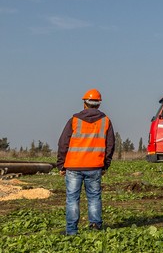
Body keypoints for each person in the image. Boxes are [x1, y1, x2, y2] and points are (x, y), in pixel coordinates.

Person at [56, 88, 115, 236]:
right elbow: (110, 145)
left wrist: (61, 165)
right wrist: (105, 165)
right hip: (95, 166)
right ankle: (95, 227)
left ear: (84, 103)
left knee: (72, 199)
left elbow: (63, 143)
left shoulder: (74, 120)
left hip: (73, 166)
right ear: (99, 104)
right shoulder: (106, 121)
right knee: (94, 197)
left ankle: (71, 231)